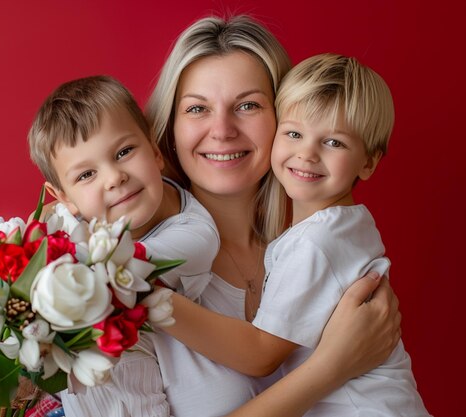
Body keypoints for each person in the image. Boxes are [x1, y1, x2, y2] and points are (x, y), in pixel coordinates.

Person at [36, 15, 402, 417]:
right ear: (168, 130)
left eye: (247, 105)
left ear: (288, 116)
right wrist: (330, 368)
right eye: (197, 109)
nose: (222, 130)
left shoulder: (316, 246)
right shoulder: (128, 267)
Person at [163, 52, 431, 415]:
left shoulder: (315, 242)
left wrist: (153, 301)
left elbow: (260, 355)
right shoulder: (343, 227)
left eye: (333, 142)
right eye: (294, 134)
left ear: (368, 162)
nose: (307, 153)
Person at [27, 74, 220, 416]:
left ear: (155, 151)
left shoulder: (193, 237)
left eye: (124, 152)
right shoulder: (81, 217)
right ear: (63, 196)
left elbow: (105, 269)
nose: (115, 177)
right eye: (87, 175)